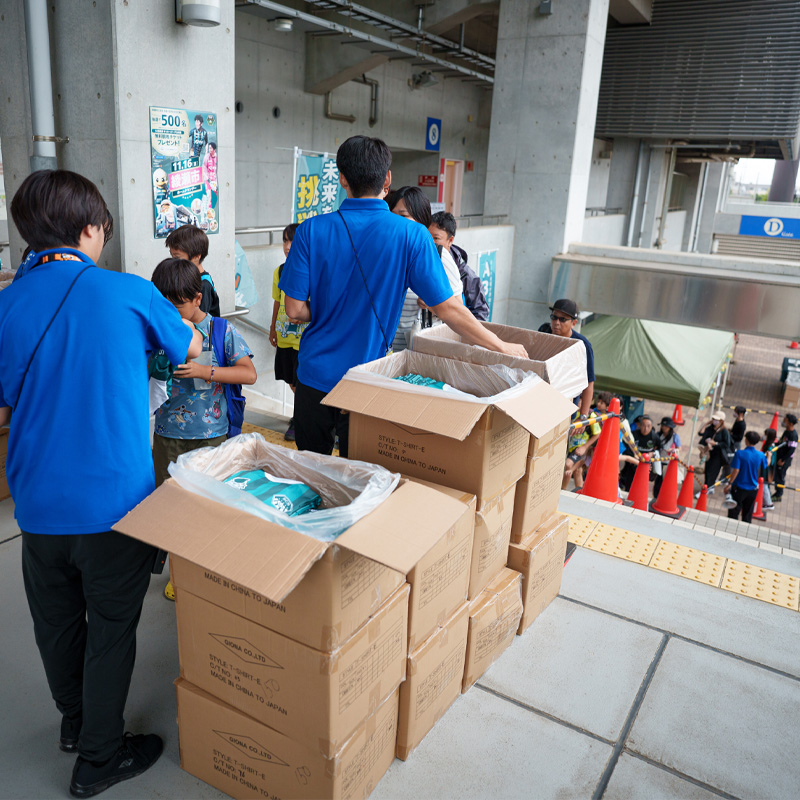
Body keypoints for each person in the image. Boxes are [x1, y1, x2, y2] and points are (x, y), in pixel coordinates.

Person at [0, 169, 202, 797]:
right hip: (115, 504)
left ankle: (74, 722)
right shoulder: (128, 292)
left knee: (57, 624)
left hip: (37, 505)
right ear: (91, 227)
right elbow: (190, 347)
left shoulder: (6, 303)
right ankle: (98, 758)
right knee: (110, 632)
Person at [278, 135, 528, 457]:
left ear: (342, 179)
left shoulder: (310, 230)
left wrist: (328, 308)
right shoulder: (412, 235)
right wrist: (502, 346)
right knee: (362, 473)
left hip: (314, 376)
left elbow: (294, 310)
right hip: (366, 380)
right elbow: (449, 308)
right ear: (387, 179)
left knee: (310, 467)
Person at [386, 186, 462, 352]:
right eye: (392, 215)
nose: (396, 221)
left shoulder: (438, 255)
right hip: (385, 350)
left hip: (418, 351)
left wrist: (433, 305)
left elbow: (458, 308)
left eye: (403, 216)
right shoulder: (386, 251)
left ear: (421, 220)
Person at [269, 223, 306, 441]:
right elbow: (277, 300)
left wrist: (303, 314)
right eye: (285, 240)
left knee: (302, 383)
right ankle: (300, 416)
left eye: (292, 241)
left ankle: (299, 420)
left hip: (304, 341)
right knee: (292, 382)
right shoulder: (280, 271)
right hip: (284, 337)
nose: (287, 246)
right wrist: (273, 327)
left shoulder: (311, 269)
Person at [538, 298, 594, 416]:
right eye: (554, 317)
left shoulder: (581, 345)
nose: (556, 322)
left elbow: (589, 383)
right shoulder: (544, 331)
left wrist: (583, 415)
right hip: (540, 400)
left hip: (565, 408)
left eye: (562, 319)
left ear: (574, 323)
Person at [429, 211, 489, 320]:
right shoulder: (422, 260)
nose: (430, 243)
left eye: (436, 238)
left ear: (450, 240)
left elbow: (481, 312)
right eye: (428, 237)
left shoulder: (465, 275)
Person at [165, 224, 220, 317]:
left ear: (196, 257)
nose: (173, 261)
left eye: (177, 257)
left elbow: (199, 320)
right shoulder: (186, 277)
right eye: (172, 255)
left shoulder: (204, 285)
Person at [725, 431, 769, 523]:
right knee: (747, 514)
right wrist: (769, 456)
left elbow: (736, 470)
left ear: (746, 440)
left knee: (733, 513)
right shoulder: (761, 455)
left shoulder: (740, 453)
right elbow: (766, 464)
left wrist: (729, 483)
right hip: (753, 489)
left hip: (738, 489)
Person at [619, 415, 662, 491]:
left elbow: (659, 448)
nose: (646, 429)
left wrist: (652, 453)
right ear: (639, 426)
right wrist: (633, 456)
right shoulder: (633, 435)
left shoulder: (654, 437)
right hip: (632, 464)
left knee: (641, 484)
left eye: (648, 426)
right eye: (644, 426)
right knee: (629, 484)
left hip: (646, 465)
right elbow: (625, 448)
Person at [696, 410, 733, 496]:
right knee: (707, 470)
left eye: (716, 419)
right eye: (713, 419)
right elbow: (700, 433)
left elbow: (726, 444)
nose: (714, 421)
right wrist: (706, 424)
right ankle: (708, 487)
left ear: (721, 421)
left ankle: (707, 489)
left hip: (718, 455)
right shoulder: (710, 428)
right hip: (709, 454)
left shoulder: (724, 431)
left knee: (713, 471)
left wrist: (715, 443)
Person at [563, 411, 601, 490]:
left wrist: (585, 447)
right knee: (578, 470)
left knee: (570, 465)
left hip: (580, 448)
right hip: (569, 446)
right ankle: (580, 491)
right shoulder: (571, 411)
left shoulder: (591, 415)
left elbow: (597, 434)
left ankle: (563, 489)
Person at [772, 413, 798, 502]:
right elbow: (781, 442)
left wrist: (783, 460)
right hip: (780, 458)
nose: (783, 422)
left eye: (785, 421)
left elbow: (791, 450)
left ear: (790, 423)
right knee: (777, 476)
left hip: (784, 461)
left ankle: (779, 495)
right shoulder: (787, 431)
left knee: (780, 477)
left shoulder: (793, 435)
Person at [653, 416, 682, 495]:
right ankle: (656, 496)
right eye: (663, 425)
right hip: (658, 461)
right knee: (658, 481)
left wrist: (673, 450)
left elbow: (679, 448)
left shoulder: (675, 436)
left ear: (670, 427)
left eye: (666, 426)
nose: (664, 427)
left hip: (669, 462)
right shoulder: (658, 435)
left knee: (667, 482)